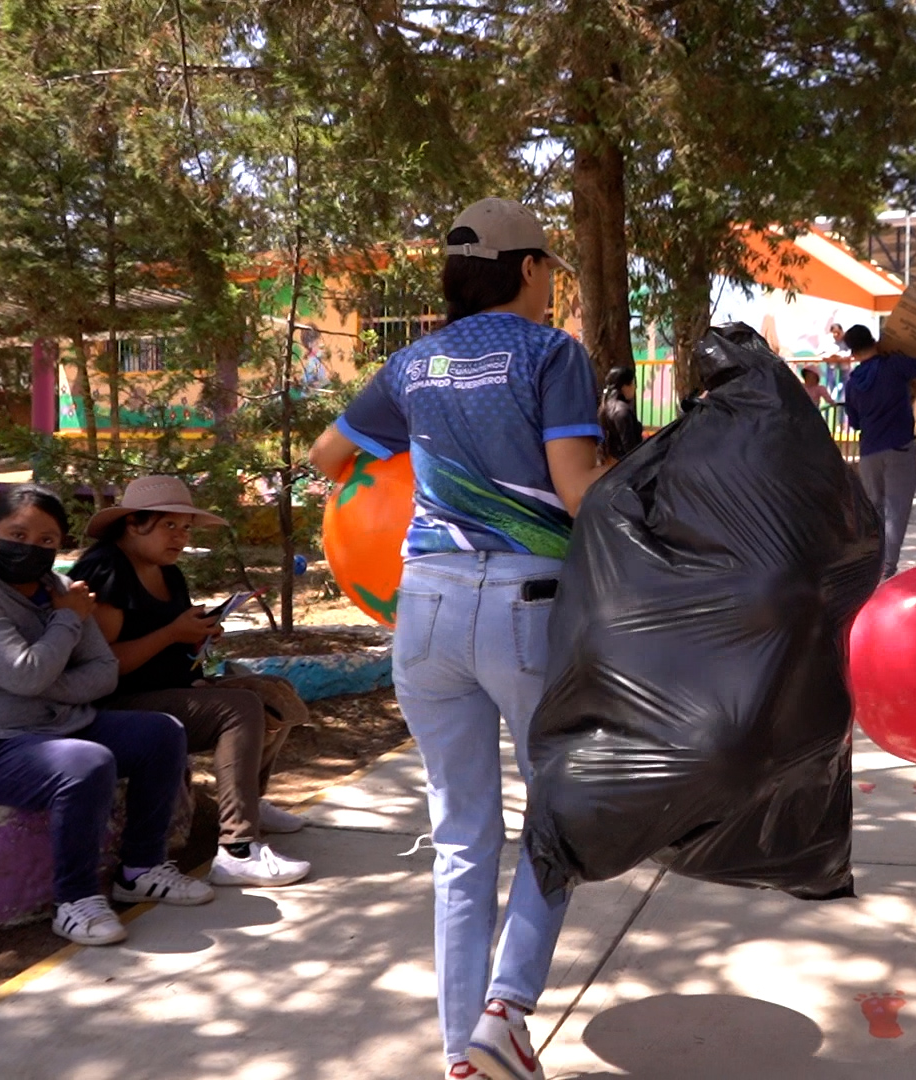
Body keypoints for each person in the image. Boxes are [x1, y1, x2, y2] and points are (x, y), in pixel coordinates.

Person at [309, 197, 611, 1080]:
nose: (552, 282)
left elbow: (329, 456)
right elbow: (577, 487)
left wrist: (432, 458)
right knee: (556, 820)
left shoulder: (410, 362)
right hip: (526, 606)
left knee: (461, 837)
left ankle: (458, 1053)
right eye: (550, 267)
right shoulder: (553, 354)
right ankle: (507, 1012)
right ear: (526, 269)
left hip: (425, 607)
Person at [0, 485, 212, 948]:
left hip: (51, 726)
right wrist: (65, 623)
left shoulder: (59, 589)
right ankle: (75, 901)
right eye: (17, 533)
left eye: (47, 540)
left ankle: (142, 869)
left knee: (161, 733)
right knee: (84, 763)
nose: (31, 547)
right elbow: (25, 673)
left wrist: (40, 681)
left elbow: (103, 671)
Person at [70, 475, 312, 890]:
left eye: (186, 528)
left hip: (168, 689)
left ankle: (248, 803)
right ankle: (237, 849)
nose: (180, 537)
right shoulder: (105, 570)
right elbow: (101, 666)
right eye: (170, 525)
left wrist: (197, 638)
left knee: (273, 694)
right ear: (134, 523)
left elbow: (174, 640)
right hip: (115, 706)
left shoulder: (171, 574)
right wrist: (171, 634)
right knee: (240, 709)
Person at [842, 316, 916, 578]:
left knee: (874, 512)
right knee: (897, 510)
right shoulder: (893, 366)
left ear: (854, 354)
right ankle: (886, 570)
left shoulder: (853, 382)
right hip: (899, 448)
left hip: (869, 453)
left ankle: (871, 567)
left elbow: (854, 422)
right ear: (875, 343)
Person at [599, 366, 643, 462]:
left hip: (609, 463)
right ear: (624, 387)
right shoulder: (622, 412)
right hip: (621, 466)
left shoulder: (606, 405)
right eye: (632, 383)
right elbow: (630, 448)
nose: (634, 388)